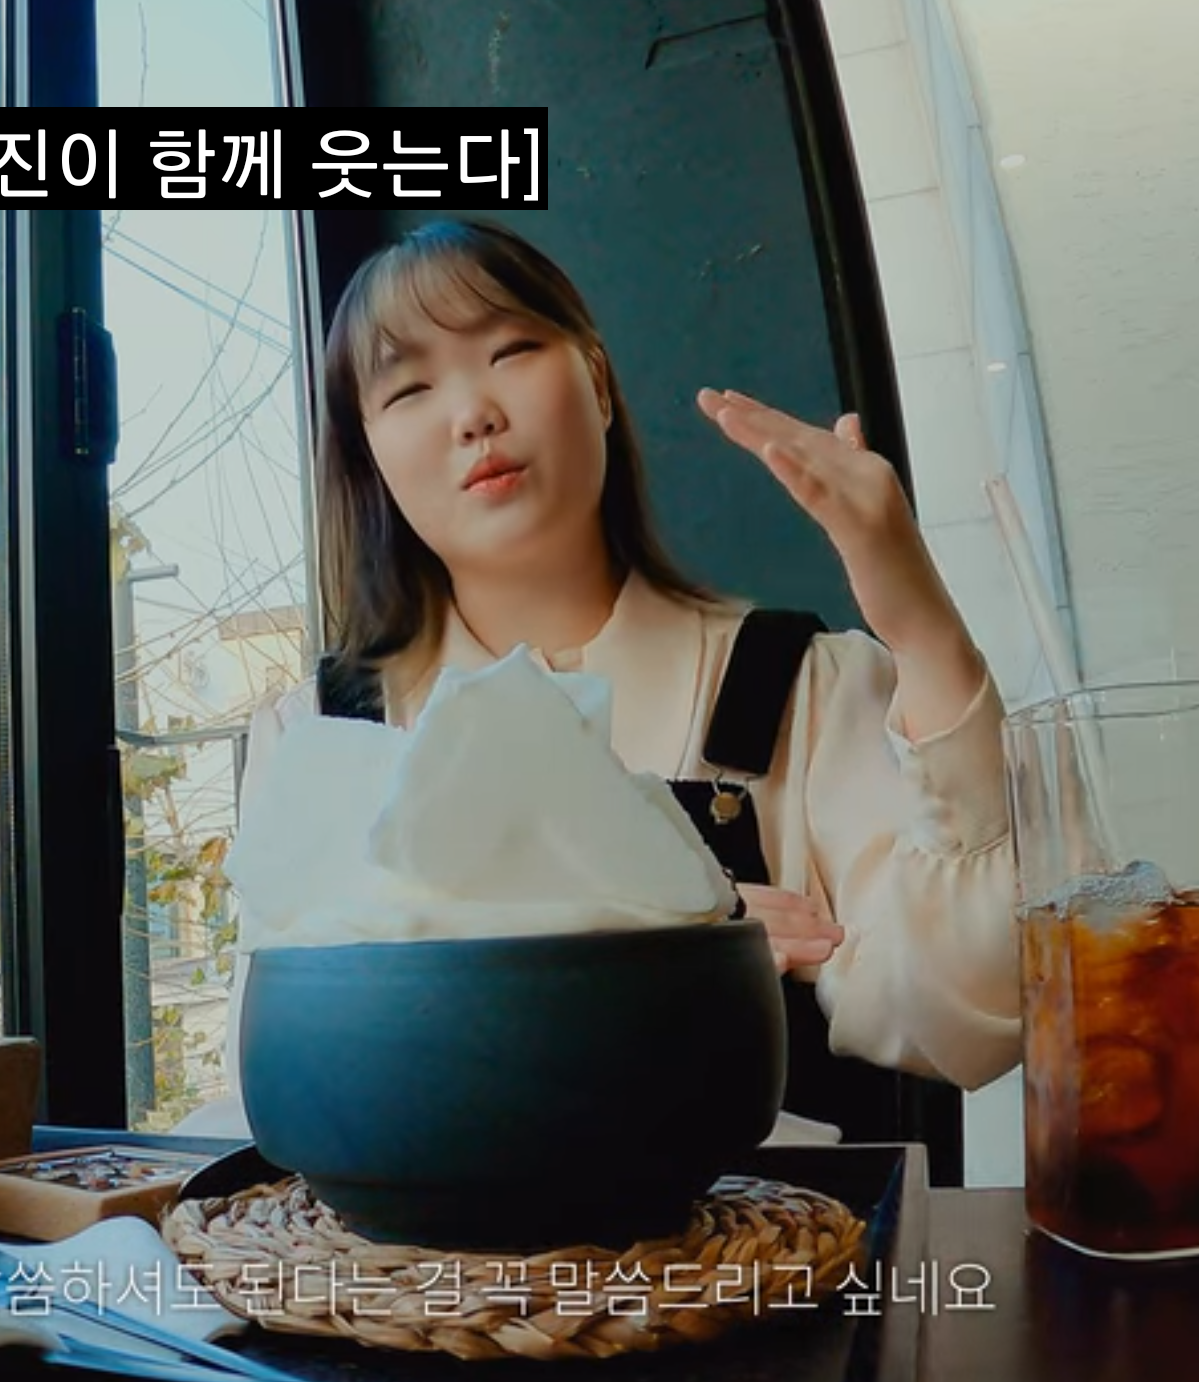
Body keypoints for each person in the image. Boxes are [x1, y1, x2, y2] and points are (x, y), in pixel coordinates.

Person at [176, 218, 1022, 1146]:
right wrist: (665, 926)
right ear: (366, 454)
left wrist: (921, 628)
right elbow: (285, 1076)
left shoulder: (803, 686)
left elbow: (969, 1014)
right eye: (409, 388)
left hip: (764, 1238)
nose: (472, 414)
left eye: (509, 350)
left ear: (599, 382)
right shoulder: (321, 734)